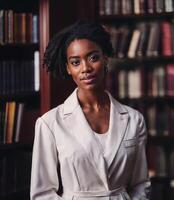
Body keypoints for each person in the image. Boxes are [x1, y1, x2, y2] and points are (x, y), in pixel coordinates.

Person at [30, 20, 151, 200]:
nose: (86, 68)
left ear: (105, 59)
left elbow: (141, 183)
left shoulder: (134, 119)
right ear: (68, 68)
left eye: (93, 57)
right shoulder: (49, 123)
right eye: (75, 62)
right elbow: (42, 194)